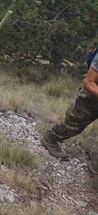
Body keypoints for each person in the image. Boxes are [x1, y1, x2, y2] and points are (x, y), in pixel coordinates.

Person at [41, 50, 98, 183]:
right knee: (73, 126)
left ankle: (95, 169)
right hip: (91, 97)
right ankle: (50, 138)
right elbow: (88, 82)